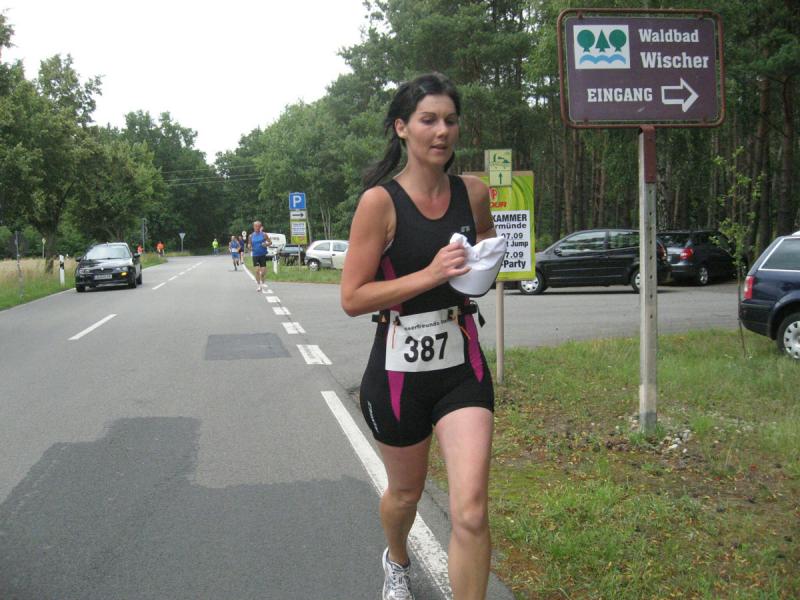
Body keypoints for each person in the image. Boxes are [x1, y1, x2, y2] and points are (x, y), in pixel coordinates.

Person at [340, 73, 496, 600]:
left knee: (470, 509)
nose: (442, 131)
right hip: (398, 372)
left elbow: (486, 240)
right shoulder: (379, 203)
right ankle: (398, 559)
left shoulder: (473, 193)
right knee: (405, 494)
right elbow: (352, 297)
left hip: (462, 366)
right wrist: (430, 274)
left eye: (450, 120)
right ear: (402, 128)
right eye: (428, 120)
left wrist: (484, 263)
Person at [248, 221, 272, 291]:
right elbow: (249, 244)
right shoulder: (251, 236)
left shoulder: (264, 234)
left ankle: (262, 279)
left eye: (258, 226)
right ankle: (259, 285)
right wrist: (249, 247)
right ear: (253, 227)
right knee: (257, 270)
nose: (257, 227)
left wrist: (266, 244)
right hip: (255, 255)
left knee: (263, 272)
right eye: (256, 226)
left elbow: (270, 242)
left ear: (260, 227)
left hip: (262, 254)